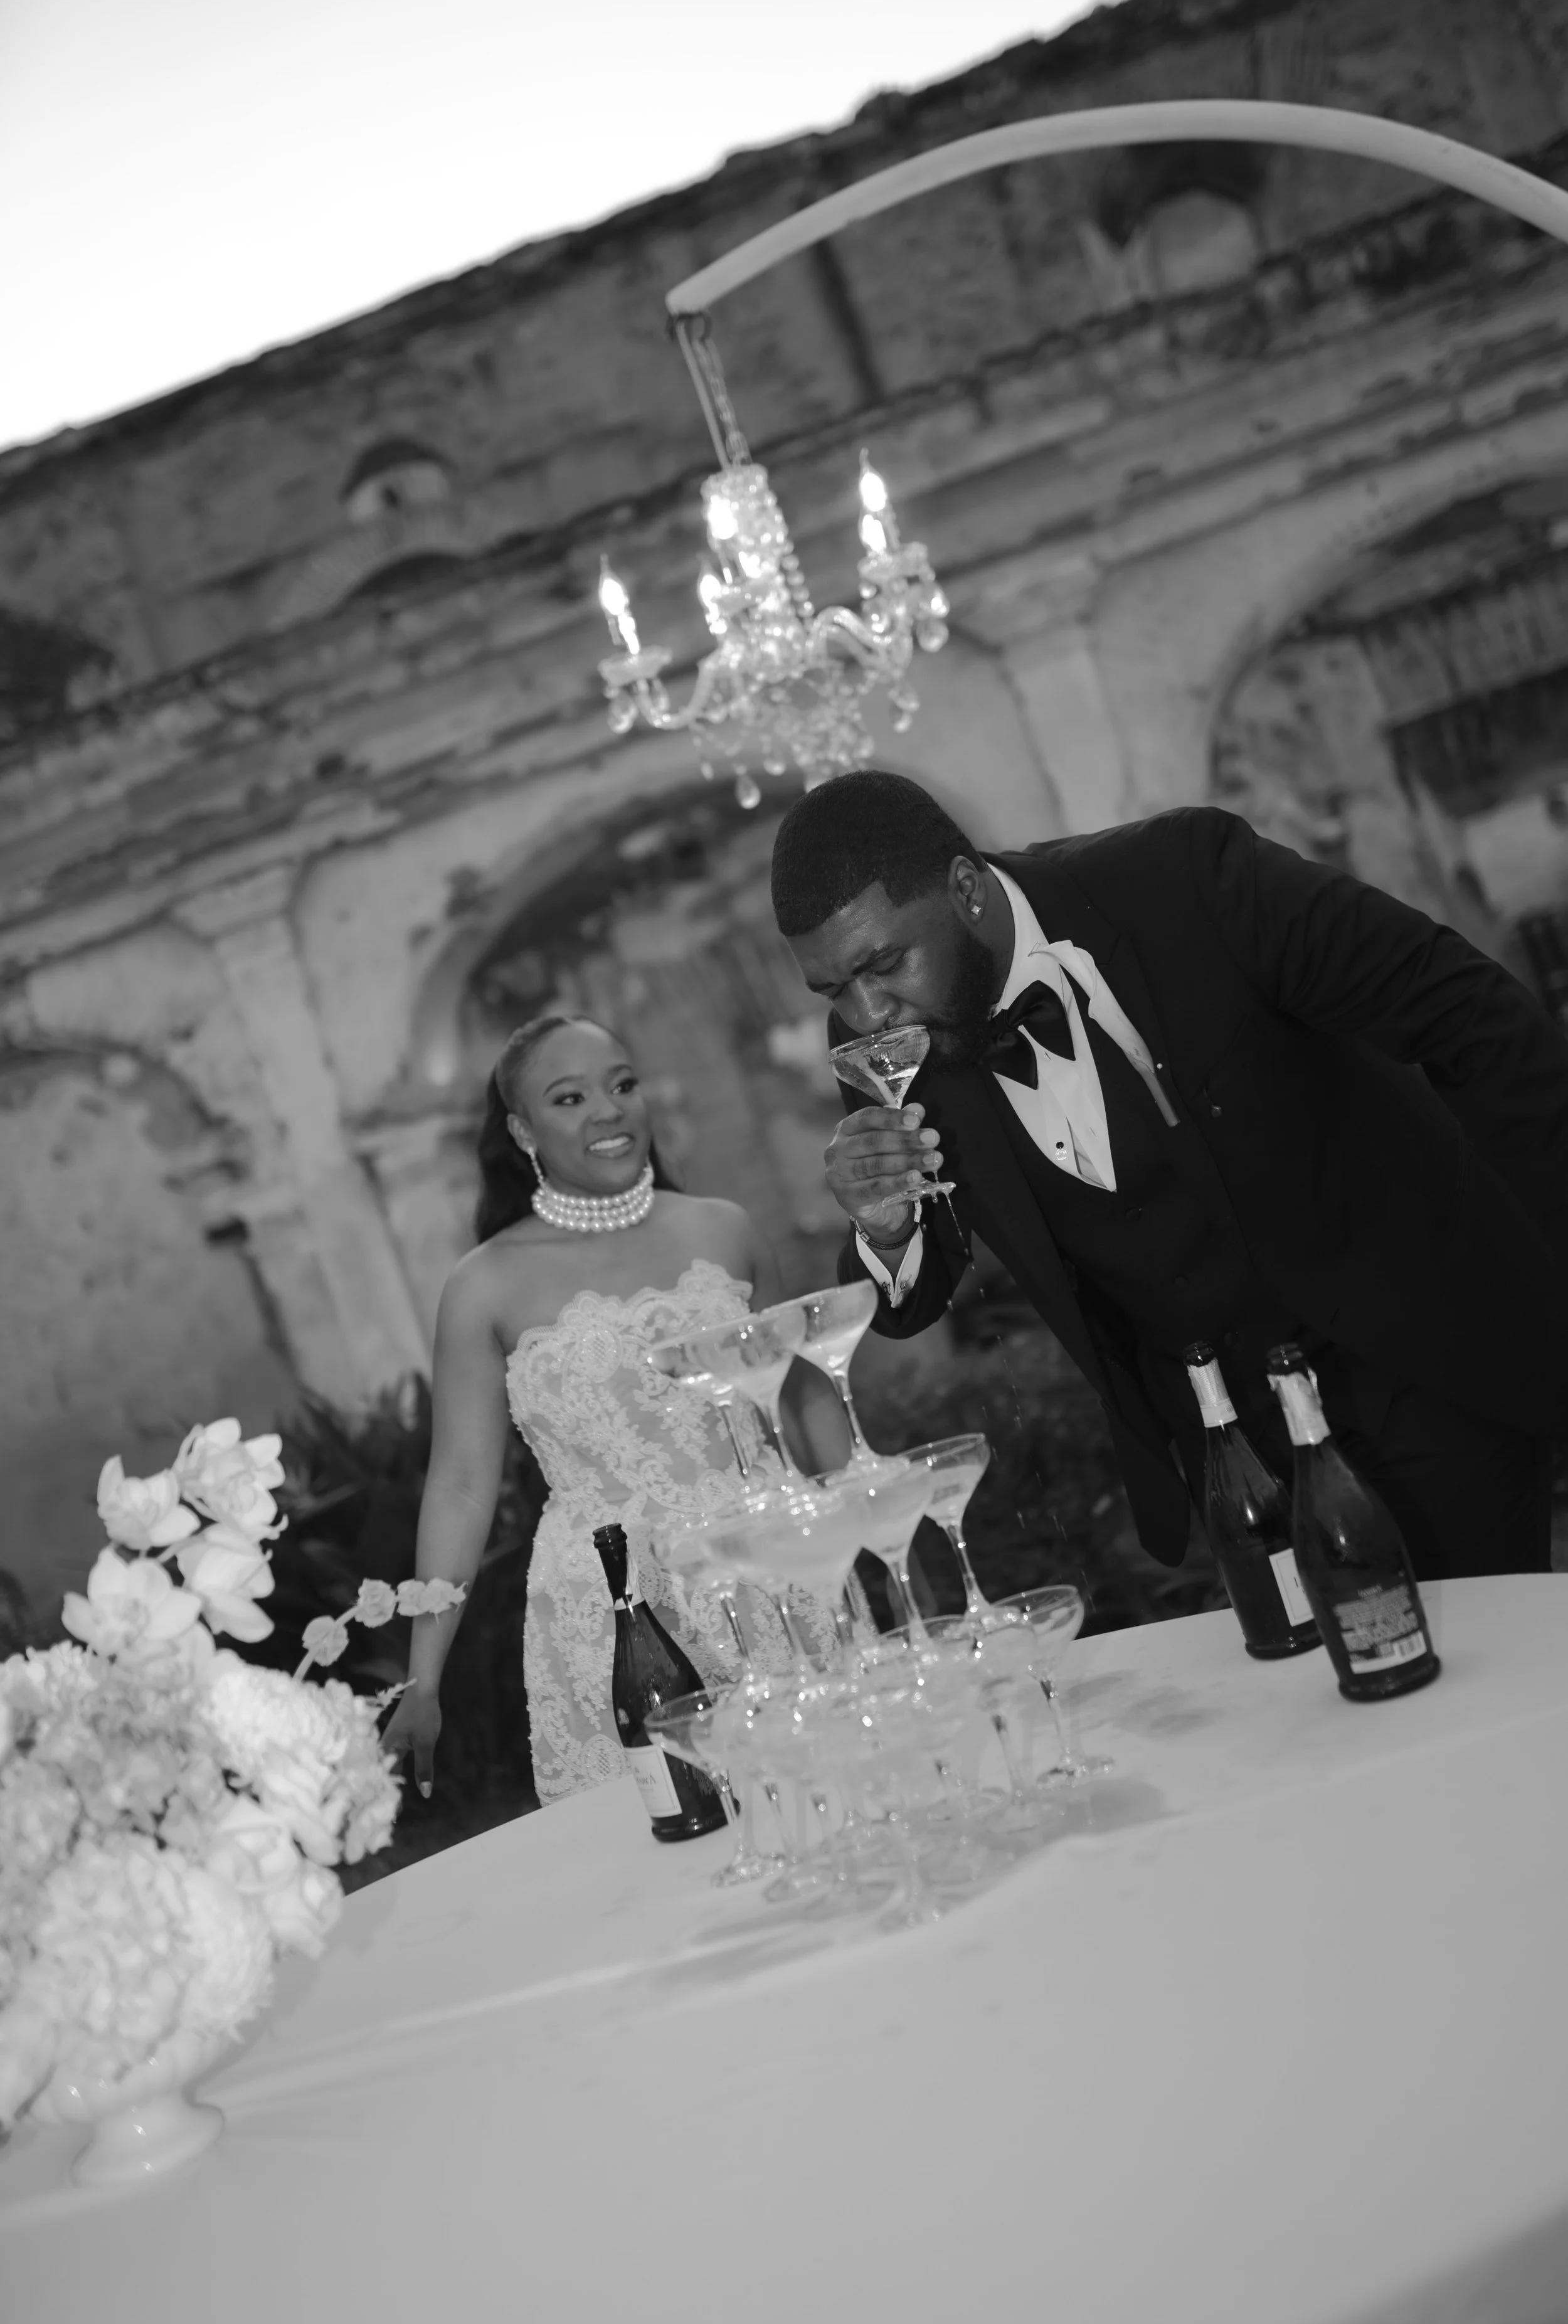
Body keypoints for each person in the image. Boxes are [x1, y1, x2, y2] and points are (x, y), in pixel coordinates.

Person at [770, 768, 1568, 1580]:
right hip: (1240, 1470)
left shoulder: (1188, 880)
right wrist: (885, 1226)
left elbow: (1471, 1016)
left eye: (886, 964)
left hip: (1423, 1374)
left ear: (967, 890)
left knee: (1482, 1684)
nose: (867, 1014)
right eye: (835, 988)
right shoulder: (889, 1050)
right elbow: (917, 1290)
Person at [381, 1012, 843, 1806]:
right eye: (569, 1099)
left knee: (833, 1796)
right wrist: (422, 1678)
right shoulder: (484, 1285)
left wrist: (867, 1541)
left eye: (622, 1086)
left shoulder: (723, 1230)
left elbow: (801, 1396)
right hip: (612, 1608)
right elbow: (459, 1484)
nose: (607, 1111)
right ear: (523, 1131)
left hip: (769, 1566)